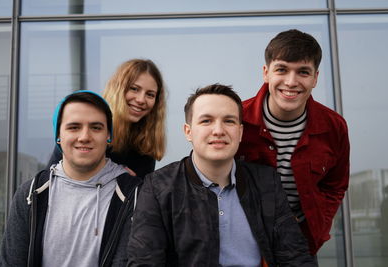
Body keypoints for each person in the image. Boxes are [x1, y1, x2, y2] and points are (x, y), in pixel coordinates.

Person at [127, 84, 316, 266]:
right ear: (188, 132)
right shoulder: (157, 187)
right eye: (206, 121)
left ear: (240, 132)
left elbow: (295, 256)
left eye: (229, 121)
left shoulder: (266, 182)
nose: (218, 131)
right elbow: (144, 261)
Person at [236, 29, 350, 255]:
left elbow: (335, 185)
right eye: (282, 69)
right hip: (242, 242)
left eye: (303, 72)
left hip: (301, 243)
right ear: (266, 73)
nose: (291, 82)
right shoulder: (236, 118)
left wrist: (318, 226)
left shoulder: (334, 127)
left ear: (315, 78)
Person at [0, 91, 142, 267]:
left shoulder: (133, 195)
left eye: (96, 127)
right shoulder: (31, 194)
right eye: (74, 127)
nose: (84, 137)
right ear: (58, 136)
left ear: (108, 136)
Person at [47, 59, 166, 178]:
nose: (141, 100)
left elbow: (141, 193)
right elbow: (50, 181)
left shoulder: (146, 144)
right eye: (134, 89)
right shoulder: (83, 129)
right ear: (117, 89)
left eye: (150, 94)